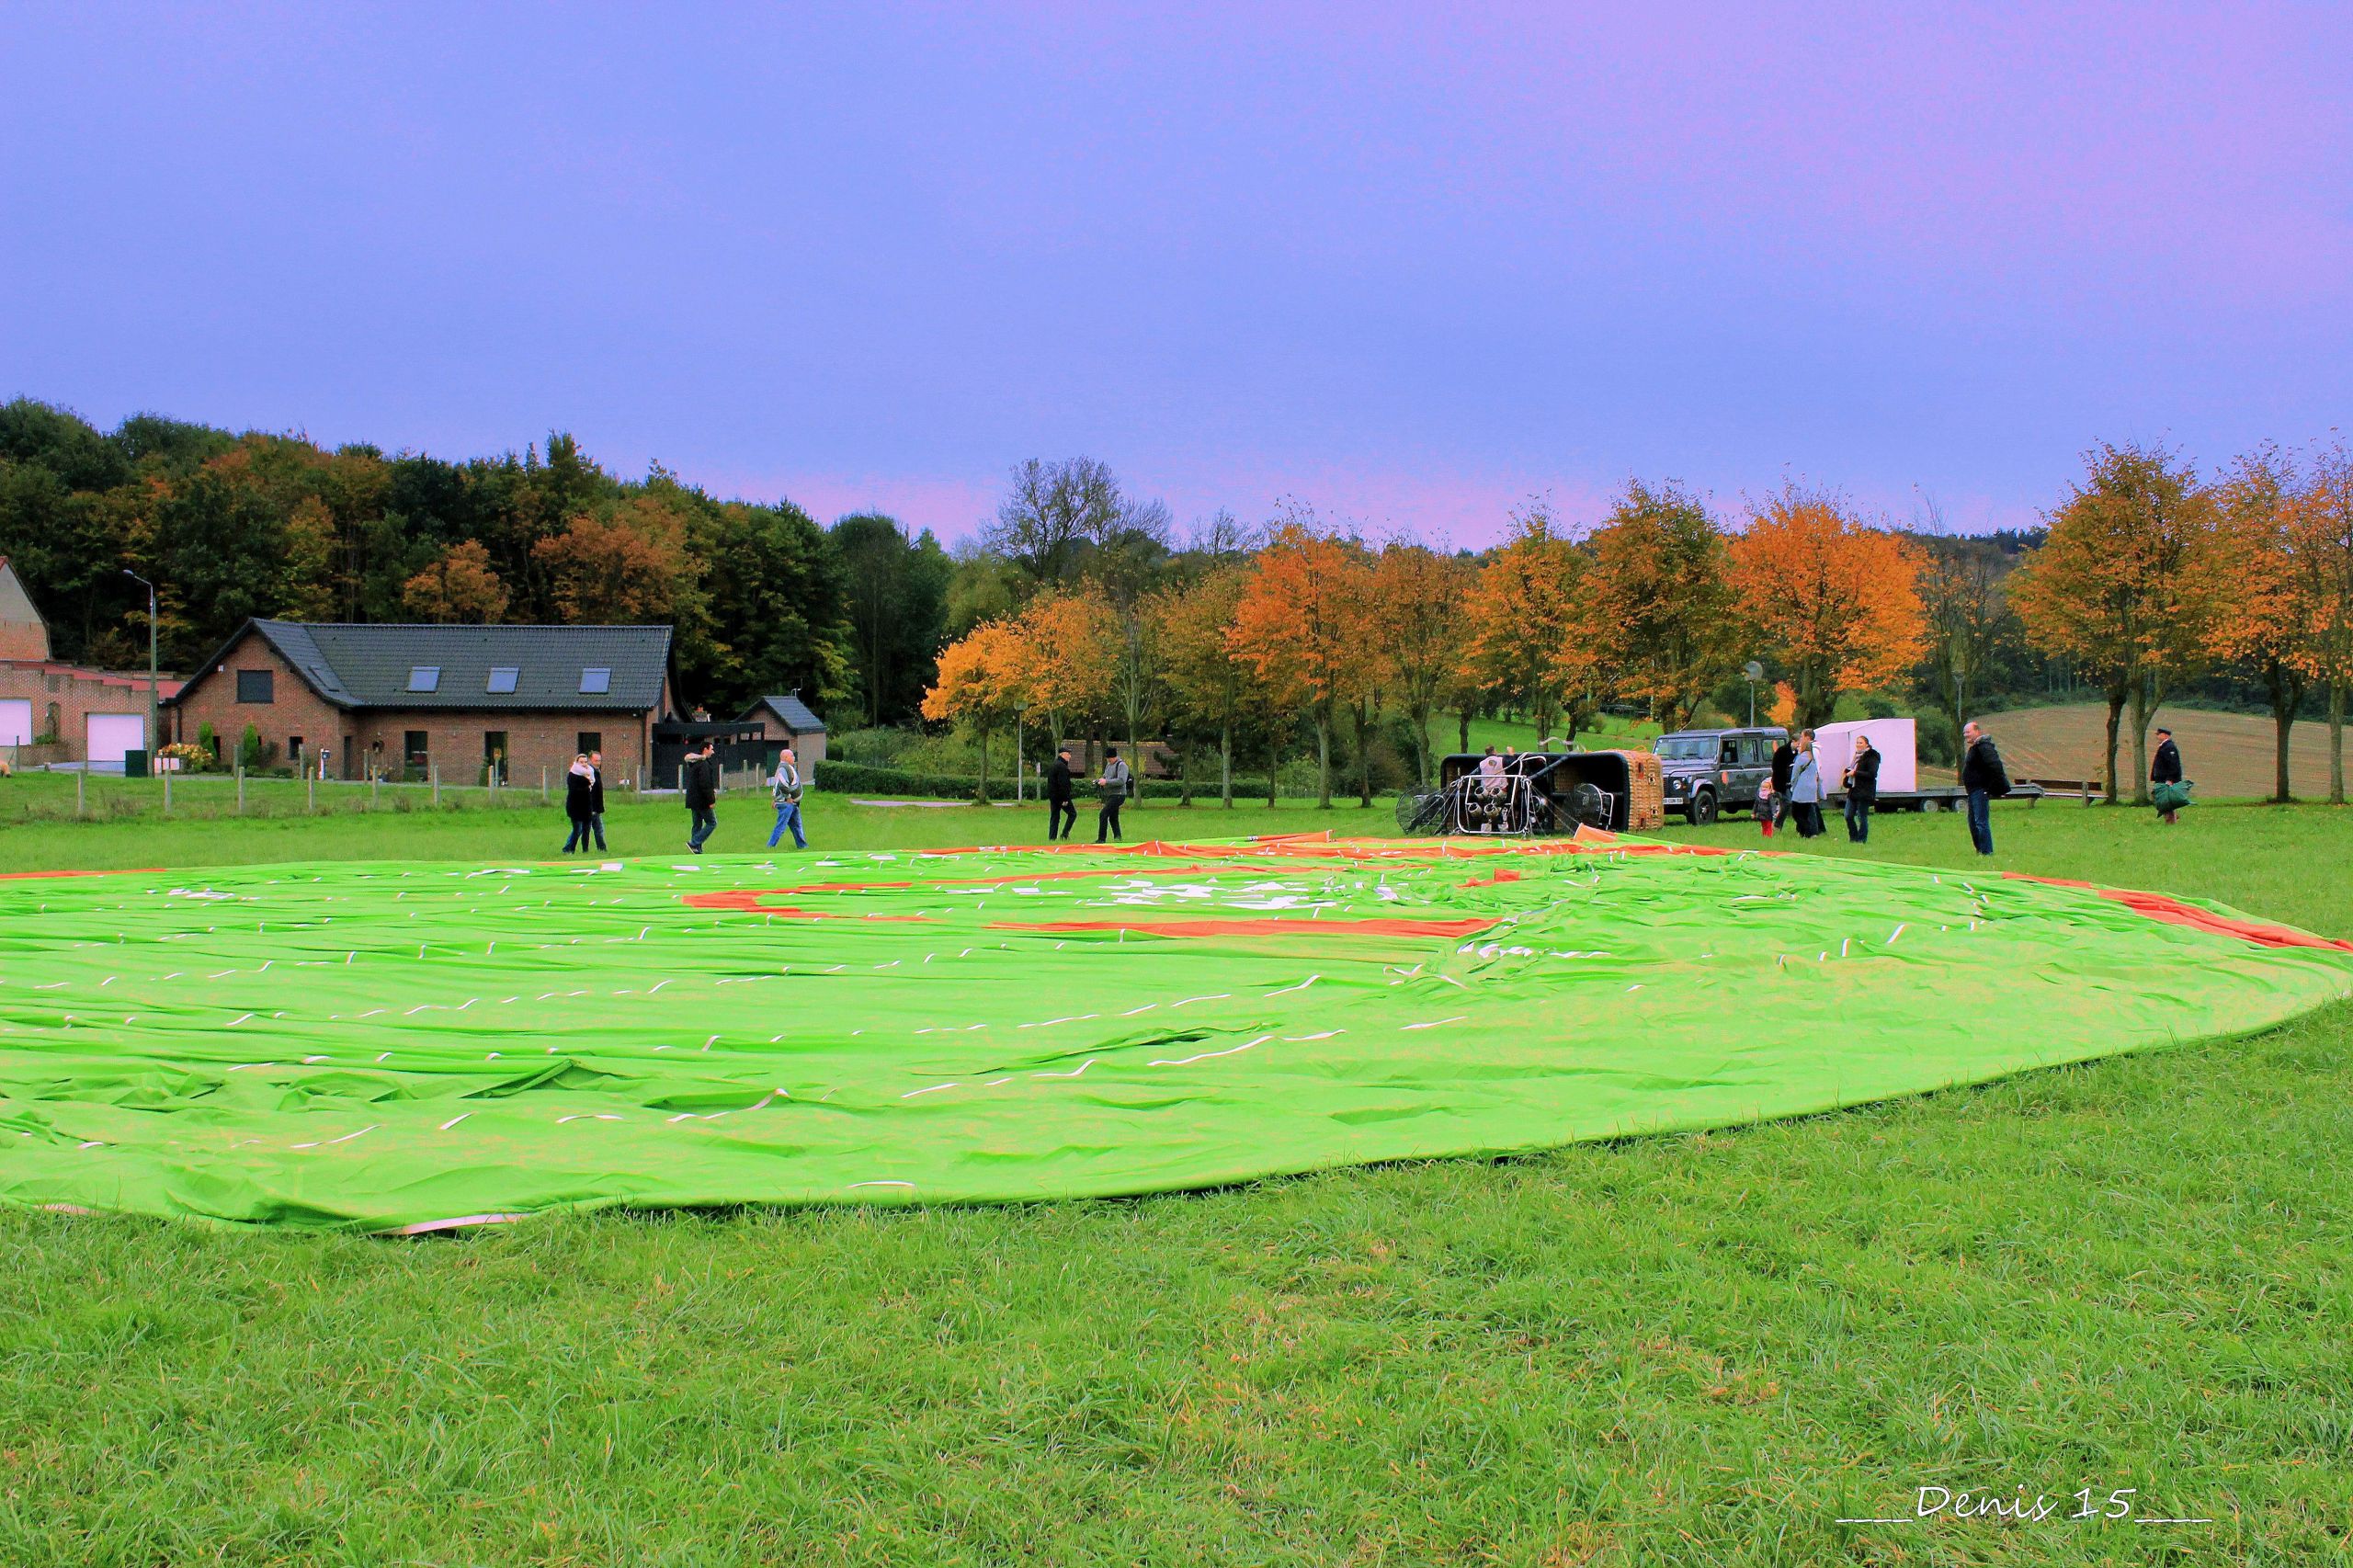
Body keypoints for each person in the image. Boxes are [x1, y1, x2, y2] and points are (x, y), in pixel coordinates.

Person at [1960, 720, 2008, 857]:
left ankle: (1987, 852)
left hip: (1980, 790)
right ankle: (1980, 850)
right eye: (1964, 733)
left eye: (1968, 732)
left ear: (1977, 731)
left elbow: (1995, 767)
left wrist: (1991, 787)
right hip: (1973, 791)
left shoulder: (1984, 747)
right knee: (1973, 823)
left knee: (1981, 822)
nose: (1965, 735)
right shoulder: (1976, 747)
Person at [767, 745, 807, 849]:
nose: (794, 758)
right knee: (781, 826)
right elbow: (782, 784)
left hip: (792, 804)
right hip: (786, 803)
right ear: (785, 757)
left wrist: (775, 799)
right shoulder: (783, 768)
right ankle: (770, 846)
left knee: (797, 825)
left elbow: (777, 786)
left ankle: (802, 846)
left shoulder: (786, 768)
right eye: (792, 756)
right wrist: (788, 796)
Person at [684, 738, 719, 854]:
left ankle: (696, 849)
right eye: (711, 749)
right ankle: (694, 843)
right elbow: (705, 784)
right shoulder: (703, 764)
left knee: (697, 824)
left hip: (693, 800)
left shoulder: (695, 763)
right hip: (702, 800)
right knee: (712, 822)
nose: (713, 752)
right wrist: (711, 800)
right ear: (705, 749)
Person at [1844, 734, 1881, 844]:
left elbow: (1872, 774)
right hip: (1854, 790)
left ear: (1867, 745)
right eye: (1857, 742)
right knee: (1848, 815)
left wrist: (1855, 773)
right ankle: (1853, 837)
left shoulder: (1872, 757)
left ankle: (1861, 839)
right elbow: (1851, 769)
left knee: (1861, 816)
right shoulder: (1857, 757)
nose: (1858, 745)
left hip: (1865, 791)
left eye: (1861, 743)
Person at [1789, 729, 1824, 838]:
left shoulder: (1801, 758)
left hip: (1801, 788)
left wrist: (1792, 787)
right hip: (1812, 787)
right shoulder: (1813, 759)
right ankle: (1809, 832)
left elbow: (1795, 775)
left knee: (1796, 812)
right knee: (1808, 810)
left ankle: (1808, 831)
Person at [561, 754, 597, 853]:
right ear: (577, 762)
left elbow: (592, 787)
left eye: (585, 762)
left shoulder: (590, 773)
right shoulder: (572, 774)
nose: (584, 764)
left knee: (587, 830)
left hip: (587, 806)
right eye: (581, 762)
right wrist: (587, 787)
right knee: (577, 829)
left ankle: (585, 850)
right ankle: (571, 849)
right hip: (575, 806)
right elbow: (574, 790)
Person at [1096, 746, 1131, 843]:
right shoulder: (1108, 765)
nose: (1108, 760)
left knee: (1103, 814)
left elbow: (1121, 780)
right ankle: (1118, 837)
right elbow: (1105, 776)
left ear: (1114, 757)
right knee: (1113, 817)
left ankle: (1101, 839)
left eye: (1109, 758)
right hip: (1111, 794)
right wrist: (1099, 781)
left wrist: (1106, 782)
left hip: (1119, 795)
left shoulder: (1121, 765)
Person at [2151, 726, 2185, 824]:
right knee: (2159, 798)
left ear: (2165, 735)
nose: (2157, 736)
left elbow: (2174, 765)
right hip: (2161, 779)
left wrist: (2170, 779)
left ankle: (2171, 820)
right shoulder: (2164, 746)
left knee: (2163, 800)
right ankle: (2172, 815)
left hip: (2166, 780)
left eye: (2159, 734)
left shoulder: (2169, 747)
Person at [1045, 746, 1077, 841]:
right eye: (1068, 754)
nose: (1070, 756)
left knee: (1054, 817)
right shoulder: (1062, 767)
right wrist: (1065, 799)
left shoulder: (1054, 765)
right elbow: (1064, 784)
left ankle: (1052, 838)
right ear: (1061, 754)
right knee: (1072, 814)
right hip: (1061, 797)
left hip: (1053, 797)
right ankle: (1064, 834)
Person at [585, 750, 608, 851]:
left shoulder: (597, 772)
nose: (598, 763)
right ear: (590, 760)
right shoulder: (589, 773)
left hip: (596, 808)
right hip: (590, 808)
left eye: (599, 760)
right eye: (596, 760)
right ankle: (568, 848)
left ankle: (602, 849)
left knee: (598, 829)